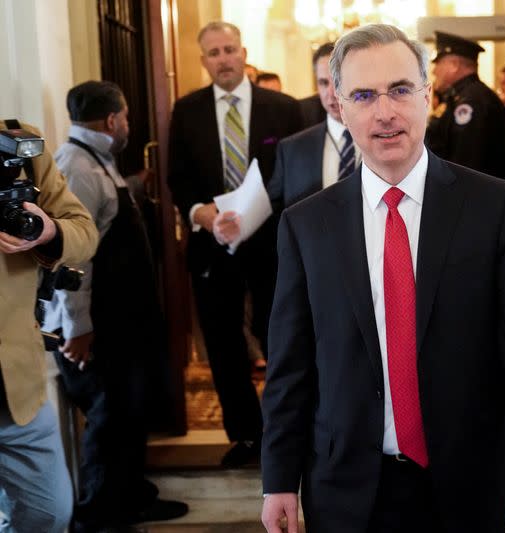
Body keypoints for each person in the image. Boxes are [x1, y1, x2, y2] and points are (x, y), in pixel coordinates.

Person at [261, 24, 505, 533]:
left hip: (473, 486)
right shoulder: (306, 225)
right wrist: (277, 480)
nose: (385, 112)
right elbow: (290, 369)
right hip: (347, 492)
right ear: (338, 105)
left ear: (427, 95)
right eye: (363, 95)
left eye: (401, 89)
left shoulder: (491, 207)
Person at [43, 80, 189, 531]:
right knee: (109, 423)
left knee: (129, 414)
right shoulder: (78, 168)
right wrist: (78, 328)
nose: (127, 124)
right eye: (125, 118)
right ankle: (102, 515)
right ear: (112, 120)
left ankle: (132, 498)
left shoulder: (97, 162)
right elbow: (73, 258)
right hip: (100, 327)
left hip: (124, 323)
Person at [167, 21, 303, 467]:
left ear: (243, 52)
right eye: (213, 53)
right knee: (224, 348)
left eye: (229, 49)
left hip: (273, 244)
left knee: (280, 340)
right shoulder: (185, 111)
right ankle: (246, 438)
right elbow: (178, 179)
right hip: (213, 247)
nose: (223, 59)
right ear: (203, 60)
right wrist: (201, 214)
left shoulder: (282, 108)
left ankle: (288, 434)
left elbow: (297, 174)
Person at [0, 119, 99, 532]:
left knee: (51, 512)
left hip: (18, 387)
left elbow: (84, 231)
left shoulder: (19, 142)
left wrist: (47, 230)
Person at [269, 42, 359, 208]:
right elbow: (275, 209)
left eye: (338, 82)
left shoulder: (385, 138)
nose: (331, 94)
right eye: (324, 83)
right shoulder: (291, 150)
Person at [425, 31, 505, 180]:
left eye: (438, 63)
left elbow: (466, 164)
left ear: (454, 65)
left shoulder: (472, 101)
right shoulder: (463, 96)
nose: (434, 70)